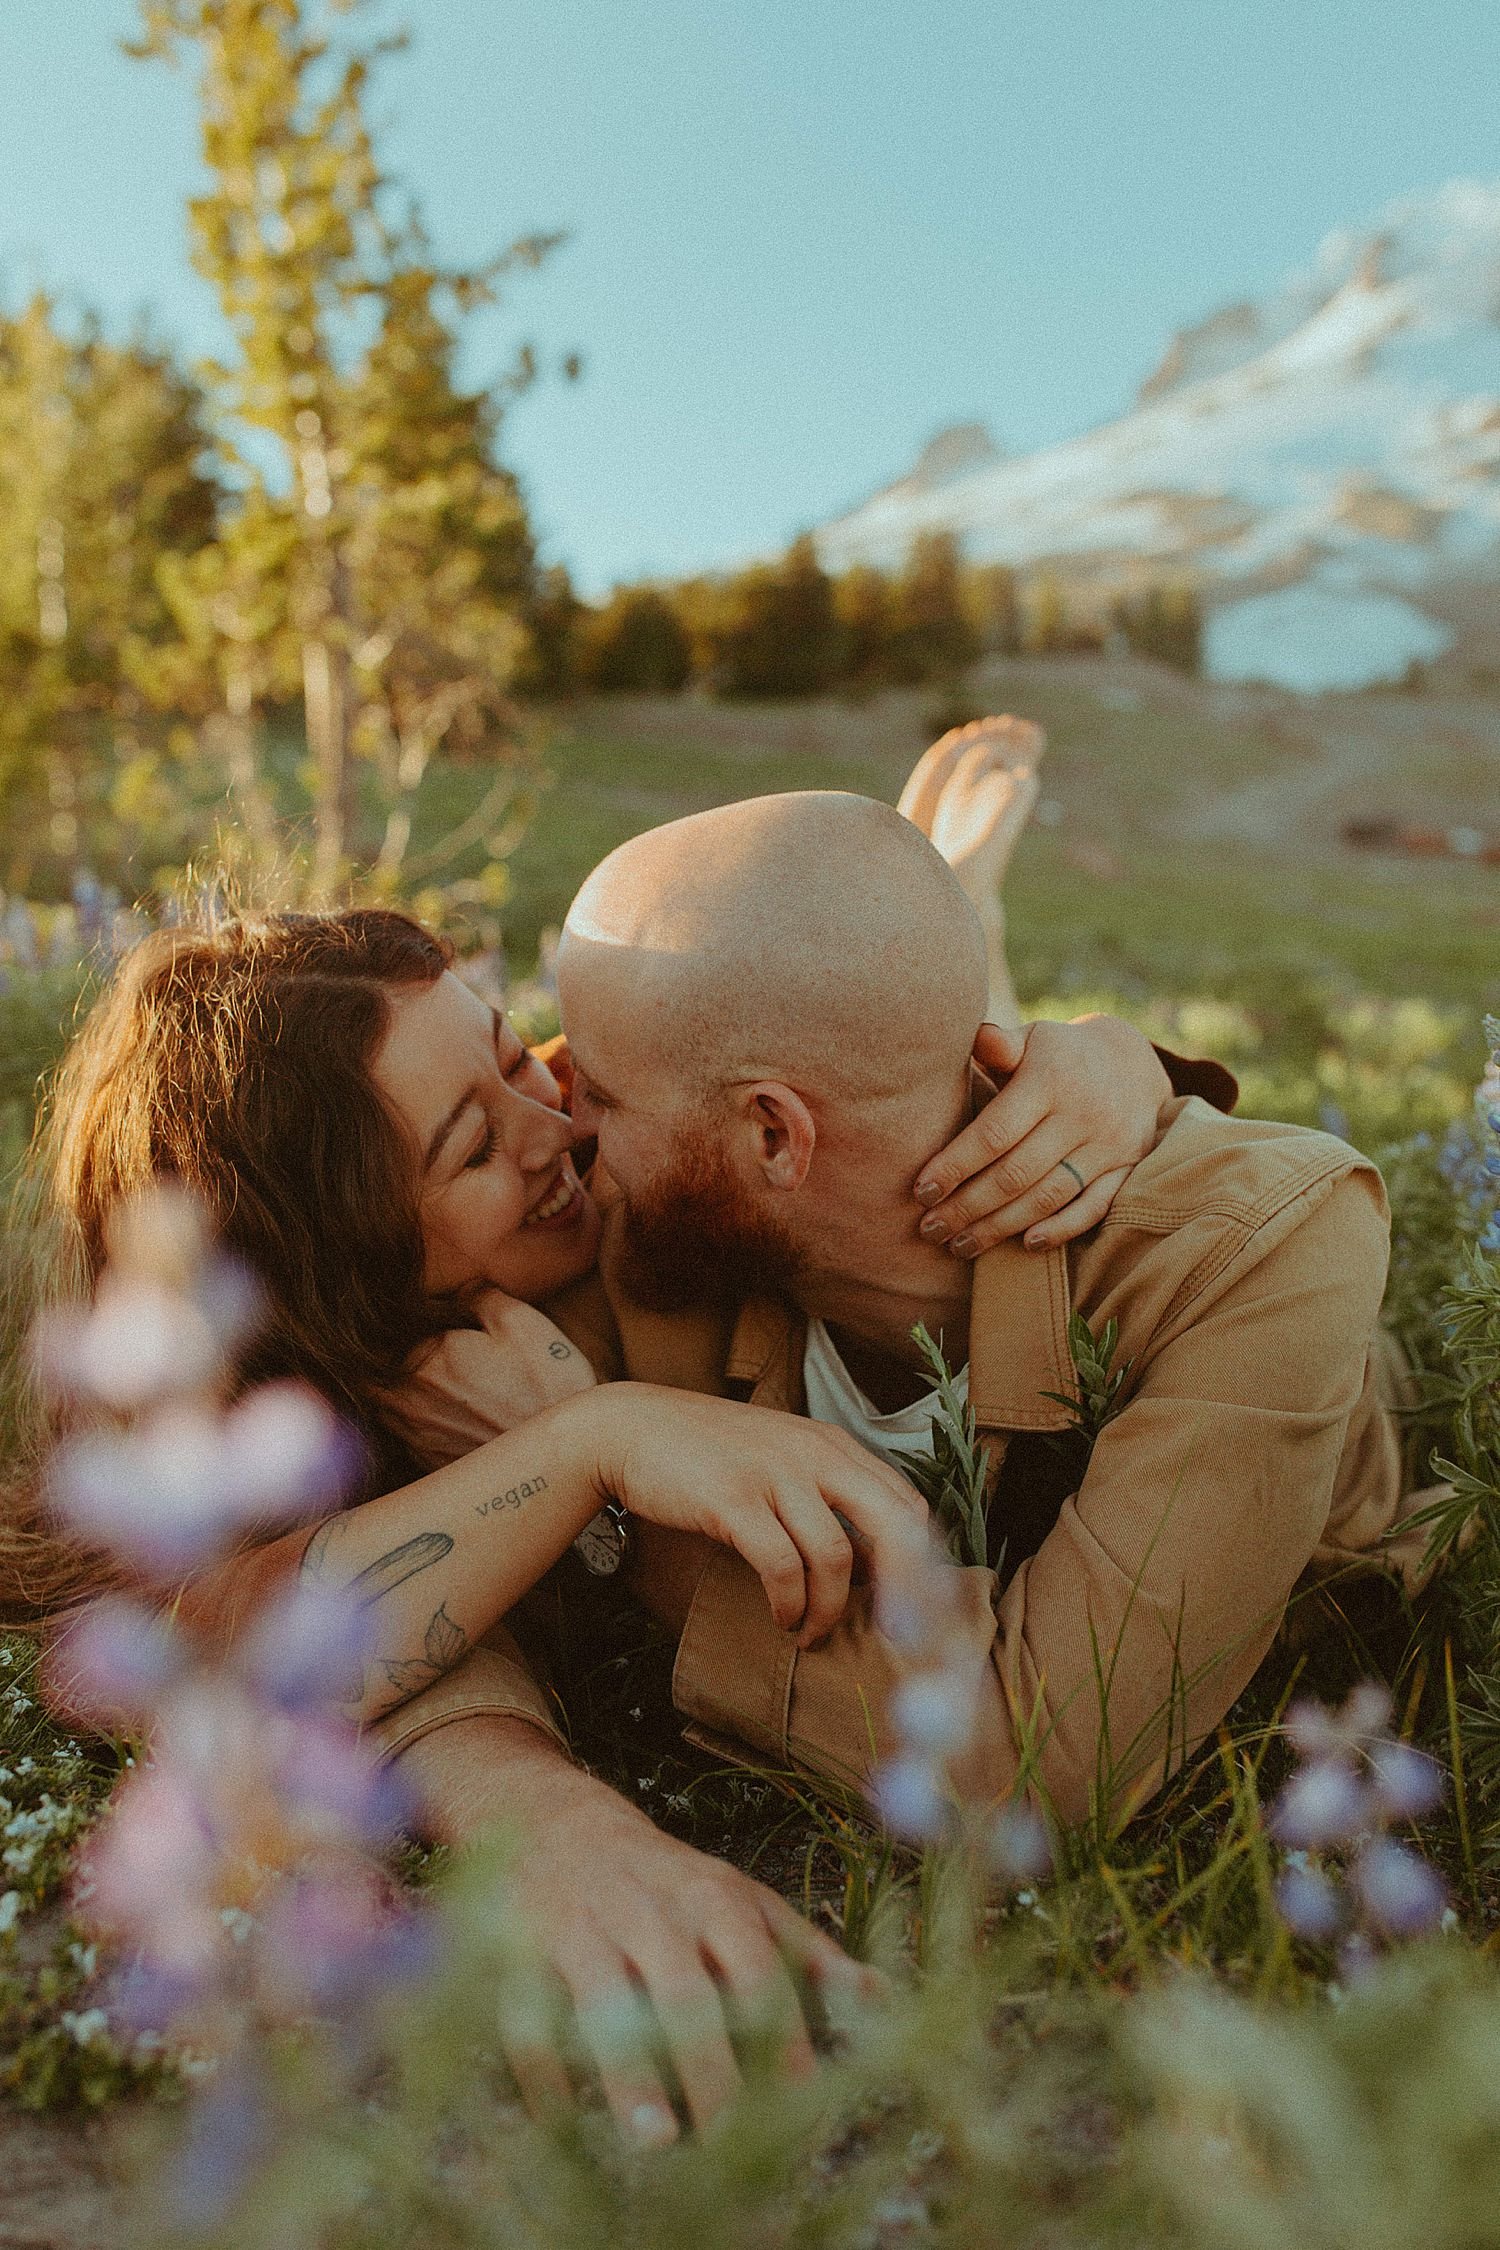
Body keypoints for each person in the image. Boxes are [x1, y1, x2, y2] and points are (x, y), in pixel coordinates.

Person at [5, 722, 1210, 2143]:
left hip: (872, 1132)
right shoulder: (331, 1388)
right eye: (471, 1142)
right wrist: (591, 1452)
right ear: (354, 1281)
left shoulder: (599, 1138)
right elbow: (262, 1630)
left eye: (518, 1049)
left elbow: (841, 1101)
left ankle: (964, 921)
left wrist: (1116, 1061)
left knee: (931, 1084)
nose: (559, 1125)